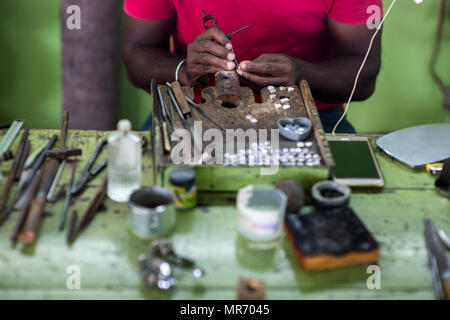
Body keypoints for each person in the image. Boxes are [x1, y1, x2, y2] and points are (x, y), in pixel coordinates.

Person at [122, 0, 383, 133]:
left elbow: (364, 74)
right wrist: (184, 71)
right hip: (190, 110)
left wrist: (301, 75)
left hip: (306, 115)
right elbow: (136, 55)